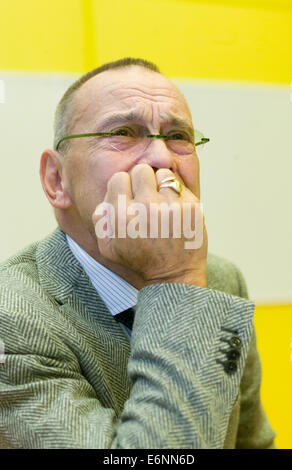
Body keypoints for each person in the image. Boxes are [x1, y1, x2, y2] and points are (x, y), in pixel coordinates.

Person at [0, 57, 276, 449]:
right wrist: (175, 280)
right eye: (124, 132)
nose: (164, 160)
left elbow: (251, 442)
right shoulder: (11, 318)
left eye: (178, 135)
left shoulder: (222, 280)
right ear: (56, 180)